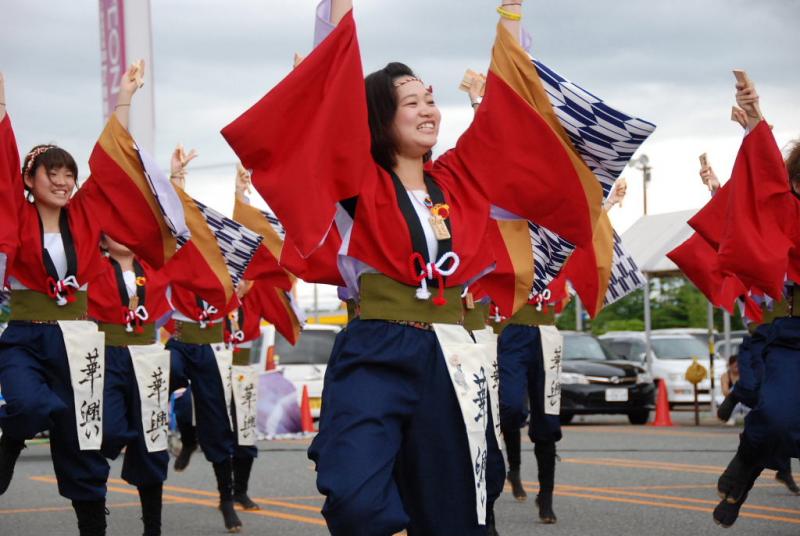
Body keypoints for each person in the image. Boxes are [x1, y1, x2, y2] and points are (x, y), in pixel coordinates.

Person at [222, 1, 596, 533]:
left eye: (432, 100)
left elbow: (505, 115)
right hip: (377, 349)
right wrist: (336, 13)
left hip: (452, 355)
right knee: (353, 496)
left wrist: (509, 19)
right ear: (379, 116)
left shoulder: (461, 177)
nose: (429, 110)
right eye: (411, 102)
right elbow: (333, 103)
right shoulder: (359, 182)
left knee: (459, 507)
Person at [0, 64, 181, 536]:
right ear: (29, 178)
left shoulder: (84, 212)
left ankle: (92, 528)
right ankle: (9, 439)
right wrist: (1, 110)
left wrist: (124, 100)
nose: (63, 181)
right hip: (25, 334)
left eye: (68, 174)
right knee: (30, 405)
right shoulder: (15, 216)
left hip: (79, 341)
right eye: (52, 173)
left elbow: (110, 163)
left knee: (86, 439)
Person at [712, 74, 800, 528]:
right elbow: (763, 178)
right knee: (777, 418)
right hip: (787, 333)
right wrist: (755, 117)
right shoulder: (788, 207)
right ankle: (746, 467)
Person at [89, 236, 173, 536]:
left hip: (147, 357)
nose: (121, 234)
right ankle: (94, 512)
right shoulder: (93, 265)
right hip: (108, 355)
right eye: (113, 228)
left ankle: (153, 529)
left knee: (151, 444)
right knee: (107, 430)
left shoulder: (153, 268)